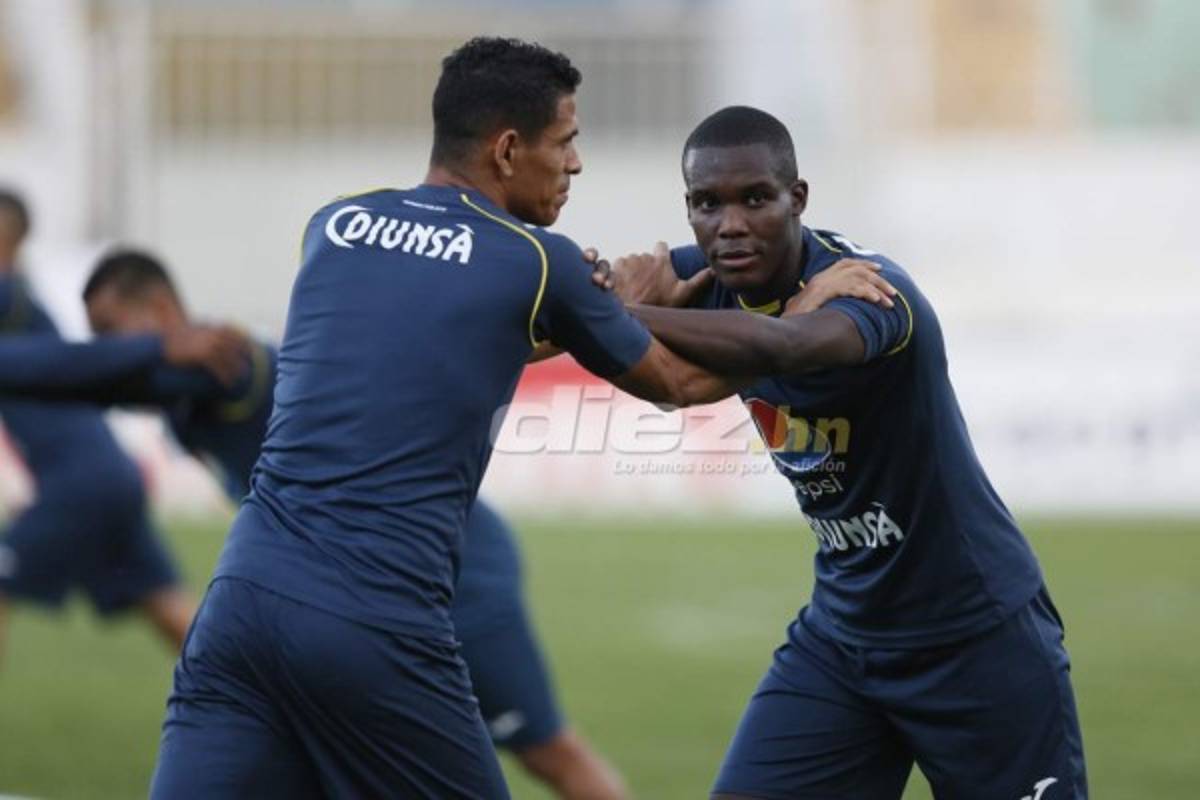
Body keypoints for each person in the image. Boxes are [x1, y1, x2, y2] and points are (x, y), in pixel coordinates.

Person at [146, 36, 745, 800]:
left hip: (241, 606)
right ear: (506, 149)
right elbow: (681, 386)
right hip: (376, 621)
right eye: (565, 142)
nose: (576, 164)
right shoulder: (535, 259)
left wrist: (602, 311)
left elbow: (439, 338)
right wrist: (814, 330)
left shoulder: (335, 226)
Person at [0, 247, 631, 799]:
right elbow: (75, 377)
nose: (113, 349)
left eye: (115, 330)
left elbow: (91, 372)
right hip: (361, 589)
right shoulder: (166, 381)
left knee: (549, 754)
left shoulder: (224, 359)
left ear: (162, 307)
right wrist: (143, 351)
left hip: (456, 570)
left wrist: (150, 352)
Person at [611, 106, 1087, 799]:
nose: (731, 224)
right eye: (707, 204)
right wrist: (601, 290)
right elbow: (549, 308)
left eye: (755, 199)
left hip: (976, 641)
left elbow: (789, 347)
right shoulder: (708, 279)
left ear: (797, 199)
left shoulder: (871, 291)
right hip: (844, 642)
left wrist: (619, 316)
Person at [0, 188, 197, 662]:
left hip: (80, 482)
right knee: (168, 606)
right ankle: (269, 697)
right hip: (110, 475)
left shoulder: (9, 294)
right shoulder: (22, 302)